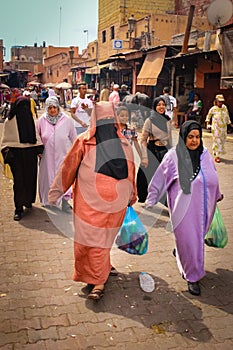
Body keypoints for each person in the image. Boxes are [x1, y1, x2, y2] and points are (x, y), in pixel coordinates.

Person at [48, 101, 137, 300]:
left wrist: (131, 195)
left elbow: (131, 170)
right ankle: (101, 269)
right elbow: (68, 168)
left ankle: (98, 282)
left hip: (111, 205)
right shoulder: (85, 142)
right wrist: (56, 192)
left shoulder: (122, 143)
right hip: (91, 205)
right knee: (95, 242)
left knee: (96, 242)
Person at [146, 121, 223, 296]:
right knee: (190, 240)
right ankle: (192, 277)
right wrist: (151, 198)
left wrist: (217, 194)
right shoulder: (174, 156)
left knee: (194, 240)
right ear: (183, 137)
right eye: (190, 137)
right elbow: (159, 178)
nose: (194, 141)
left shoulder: (204, 154)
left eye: (197, 137)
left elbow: (213, 175)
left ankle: (182, 254)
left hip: (206, 208)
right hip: (184, 210)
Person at [0, 95, 44, 221]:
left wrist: (39, 150)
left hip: (30, 155)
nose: (24, 109)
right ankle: (18, 208)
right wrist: (9, 154)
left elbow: (36, 138)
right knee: (18, 182)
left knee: (30, 179)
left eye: (26, 106)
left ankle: (28, 201)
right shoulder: (10, 121)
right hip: (16, 157)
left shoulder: (30, 119)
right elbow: (5, 142)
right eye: (21, 106)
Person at [36, 96, 77, 211]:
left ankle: (65, 202)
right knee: (48, 179)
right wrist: (38, 151)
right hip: (47, 157)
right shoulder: (41, 121)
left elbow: (74, 138)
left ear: (58, 107)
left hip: (63, 155)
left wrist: (75, 154)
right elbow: (37, 137)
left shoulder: (67, 120)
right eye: (50, 108)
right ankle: (50, 202)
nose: (52, 110)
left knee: (63, 179)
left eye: (54, 107)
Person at [136, 96, 172, 203]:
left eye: (163, 105)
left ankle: (168, 201)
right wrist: (145, 157)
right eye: (159, 105)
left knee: (167, 177)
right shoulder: (149, 121)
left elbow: (170, 138)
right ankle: (145, 196)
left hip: (165, 150)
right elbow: (143, 139)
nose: (161, 107)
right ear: (154, 107)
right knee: (145, 175)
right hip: (152, 150)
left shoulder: (168, 120)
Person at [205, 94, 233, 163]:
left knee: (222, 141)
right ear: (216, 101)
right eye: (219, 101)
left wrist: (230, 123)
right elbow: (208, 116)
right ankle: (217, 156)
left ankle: (215, 150)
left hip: (223, 128)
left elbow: (227, 116)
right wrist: (208, 123)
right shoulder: (213, 109)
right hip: (216, 128)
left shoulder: (224, 108)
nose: (221, 103)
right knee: (217, 141)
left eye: (222, 102)